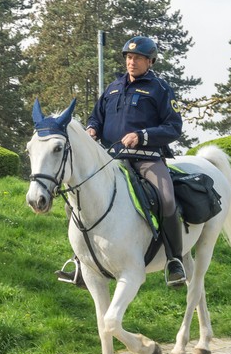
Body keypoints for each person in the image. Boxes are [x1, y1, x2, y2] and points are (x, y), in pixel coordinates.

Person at [57, 35, 187, 288]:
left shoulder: (159, 89)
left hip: (147, 160)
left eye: (137, 58)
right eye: (129, 57)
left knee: (167, 199)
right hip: (111, 160)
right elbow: (97, 117)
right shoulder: (113, 88)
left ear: (150, 61)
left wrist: (142, 136)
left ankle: (174, 261)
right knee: (76, 199)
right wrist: (92, 130)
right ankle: (81, 261)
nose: (132, 62)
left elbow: (173, 127)